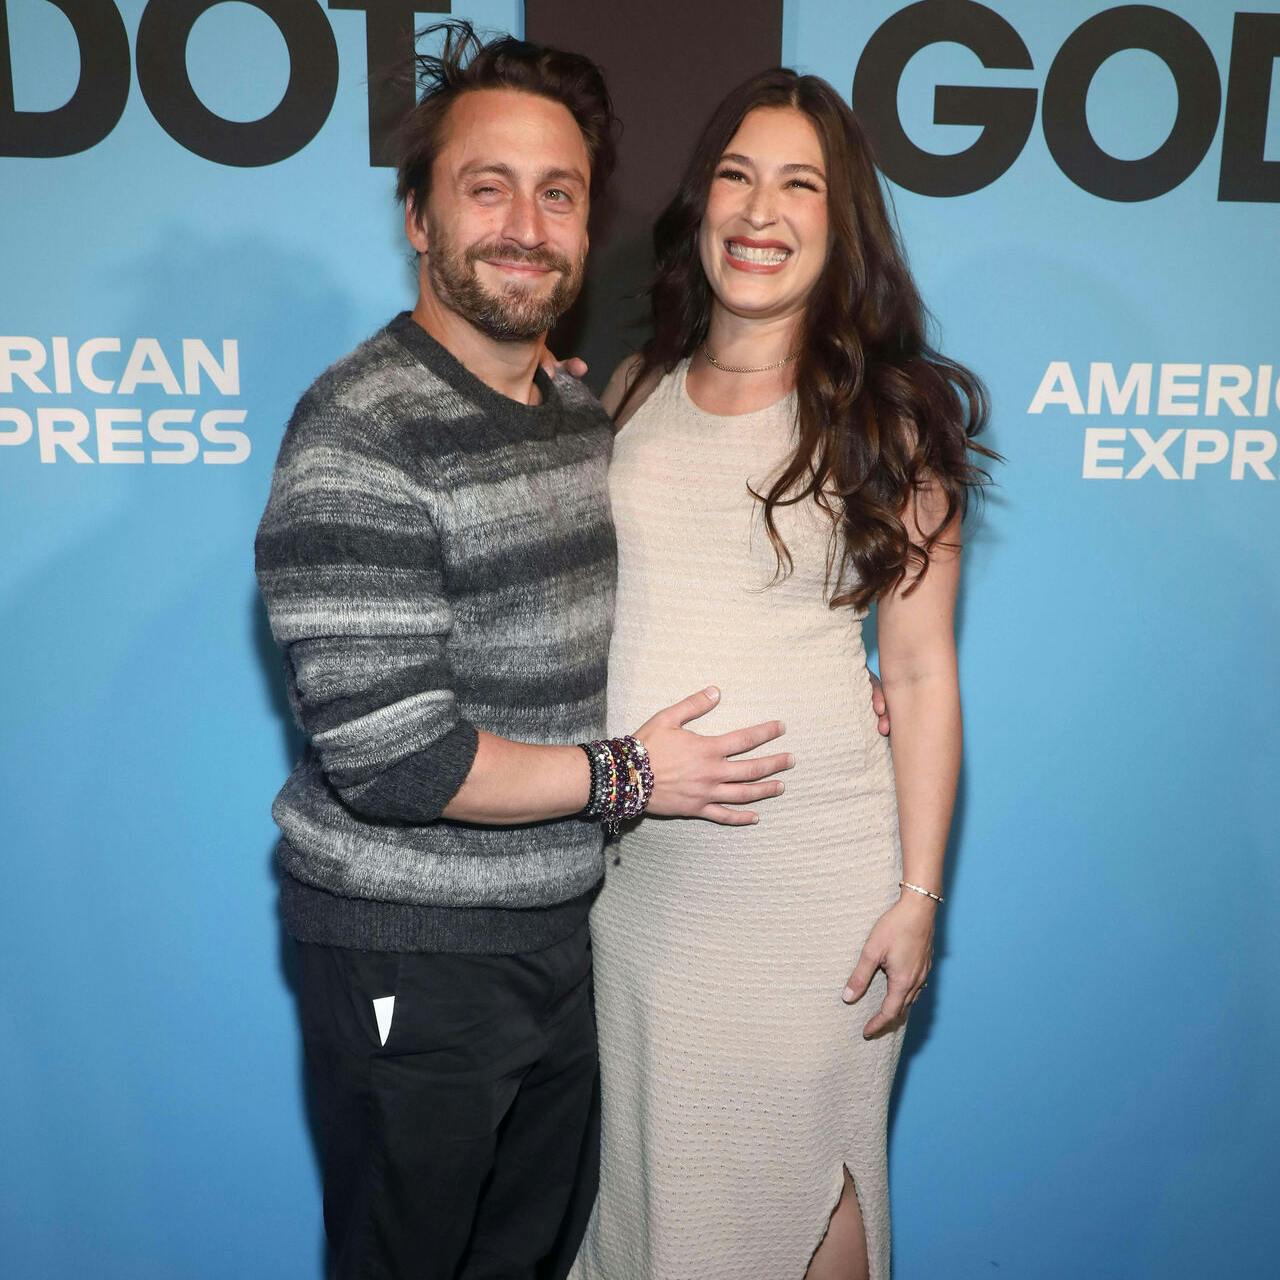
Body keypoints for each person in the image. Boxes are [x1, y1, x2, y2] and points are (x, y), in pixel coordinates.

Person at [253, 26, 796, 1280]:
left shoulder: (568, 409)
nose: (524, 224)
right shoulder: (357, 434)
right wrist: (631, 777)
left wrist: (832, 674)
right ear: (416, 216)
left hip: (560, 939)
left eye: (557, 194)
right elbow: (397, 761)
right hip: (408, 950)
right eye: (484, 186)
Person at [571, 70, 993, 1280]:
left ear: (838, 218)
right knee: (660, 1204)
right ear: (701, 205)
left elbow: (914, 675)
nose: (759, 211)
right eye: (736, 177)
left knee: (813, 1185)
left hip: (811, 898)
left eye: (796, 183)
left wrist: (917, 893)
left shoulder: (889, 418)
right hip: (642, 891)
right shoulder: (634, 389)